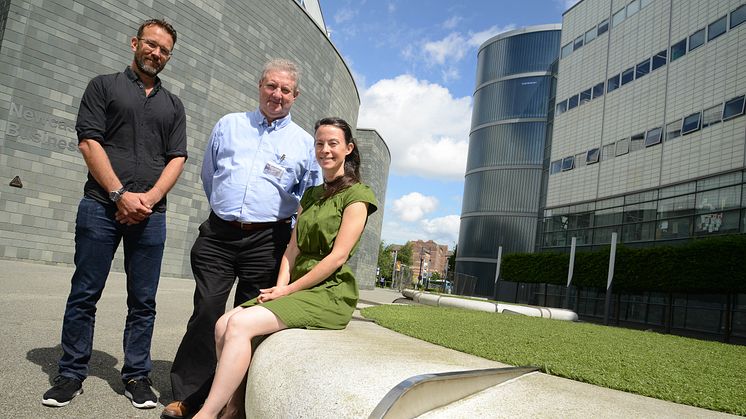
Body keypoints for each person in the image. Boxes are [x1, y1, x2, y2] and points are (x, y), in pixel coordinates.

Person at [163, 59, 321, 419]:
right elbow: (210, 175)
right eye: (271, 86)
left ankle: (234, 404)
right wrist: (230, 208)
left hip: (267, 240)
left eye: (285, 89)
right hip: (219, 234)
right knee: (206, 311)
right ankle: (190, 397)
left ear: (295, 96)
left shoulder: (303, 144)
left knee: (246, 321)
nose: (276, 94)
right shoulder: (229, 125)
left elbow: (307, 198)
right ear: (259, 86)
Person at [41, 19, 187, 410]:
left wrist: (149, 199)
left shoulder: (174, 105)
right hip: (100, 207)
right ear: (135, 42)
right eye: (151, 44)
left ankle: (137, 376)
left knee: (143, 300)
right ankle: (71, 372)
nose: (156, 53)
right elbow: (89, 142)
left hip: (151, 215)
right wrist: (120, 194)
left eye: (164, 50)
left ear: (169, 57)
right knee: (85, 293)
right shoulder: (103, 86)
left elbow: (178, 158)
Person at [193, 117, 377, 419]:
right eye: (320, 143)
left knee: (239, 326)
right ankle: (234, 407)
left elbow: (337, 258)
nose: (325, 150)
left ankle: (208, 414)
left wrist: (287, 290)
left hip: (330, 292)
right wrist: (281, 286)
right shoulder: (311, 195)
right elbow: (292, 249)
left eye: (333, 143)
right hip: (295, 287)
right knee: (222, 325)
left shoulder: (358, 195)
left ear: (348, 148)